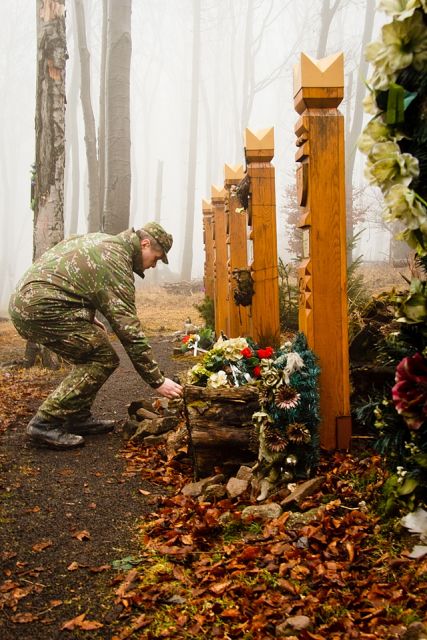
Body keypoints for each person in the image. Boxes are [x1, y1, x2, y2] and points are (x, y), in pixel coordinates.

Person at [9, 222, 183, 450]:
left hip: (31, 303)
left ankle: (76, 416)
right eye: (156, 258)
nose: (153, 265)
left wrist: (85, 314)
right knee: (101, 358)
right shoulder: (116, 262)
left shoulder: (105, 242)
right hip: (41, 309)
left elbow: (74, 273)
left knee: (92, 353)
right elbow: (129, 330)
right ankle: (45, 422)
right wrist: (157, 380)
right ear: (145, 244)